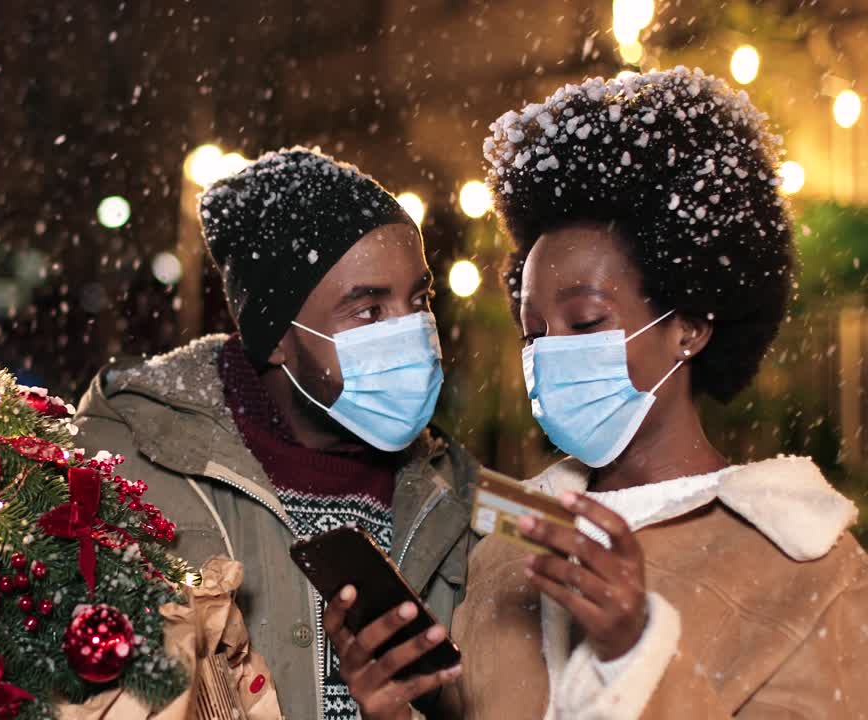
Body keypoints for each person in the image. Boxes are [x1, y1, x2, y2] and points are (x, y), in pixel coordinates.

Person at [329, 66, 868, 719]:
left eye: (586, 322)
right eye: (533, 332)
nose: (551, 352)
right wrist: (393, 710)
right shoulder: (506, 547)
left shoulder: (806, 565)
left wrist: (634, 654)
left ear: (691, 327)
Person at [73, 147, 480, 720]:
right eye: (368, 311)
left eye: (419, 300)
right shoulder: (128, 464)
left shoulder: (456, 498)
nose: (411, 334)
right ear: (276, 338)